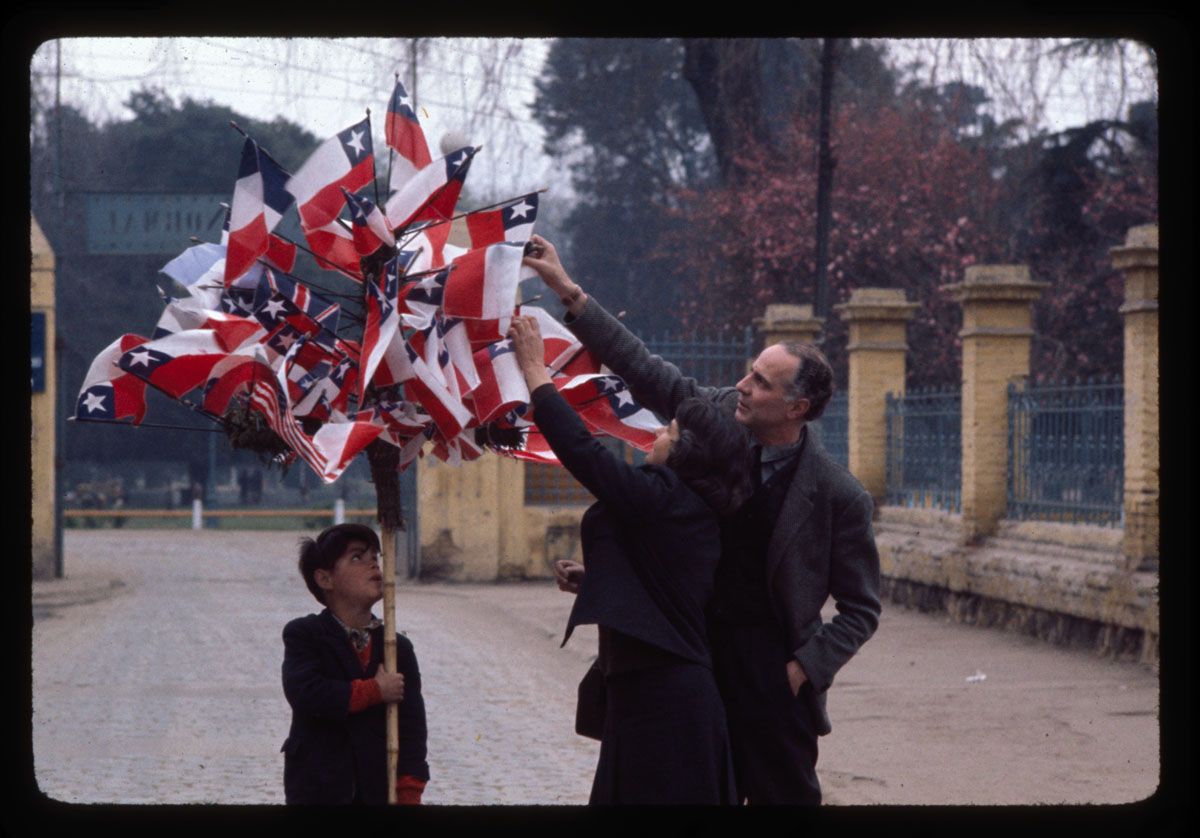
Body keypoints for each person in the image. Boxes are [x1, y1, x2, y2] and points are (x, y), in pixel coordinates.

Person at [524, 234, 882, 806]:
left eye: (762, 383)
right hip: (692, 656)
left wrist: (800, 670)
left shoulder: (839, 495)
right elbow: (644, 369)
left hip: (770, 676)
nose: (742, 386)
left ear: (797, 409)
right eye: (749, 372)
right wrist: (569, 292)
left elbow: (861, 609)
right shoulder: (719, 414)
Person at [508, 314, 752, 805]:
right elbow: (662, 578)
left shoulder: (667, 496)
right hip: (650, 694)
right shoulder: (683, 505)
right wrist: (598, 580)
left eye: (671, 429)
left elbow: (585, 454)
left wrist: (537, 375)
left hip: (665, 702)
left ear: (686, 452)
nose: (659, 433)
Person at [280, 522, 430, 805]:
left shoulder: (397, 649)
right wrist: (375, 690)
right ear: (325, 579)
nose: (373, 563)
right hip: (318, 791)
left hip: (376, 791)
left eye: (375, 556)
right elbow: (308, 693)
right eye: (357, 557)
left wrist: (409, 790)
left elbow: (412, 728)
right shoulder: (305, 634)